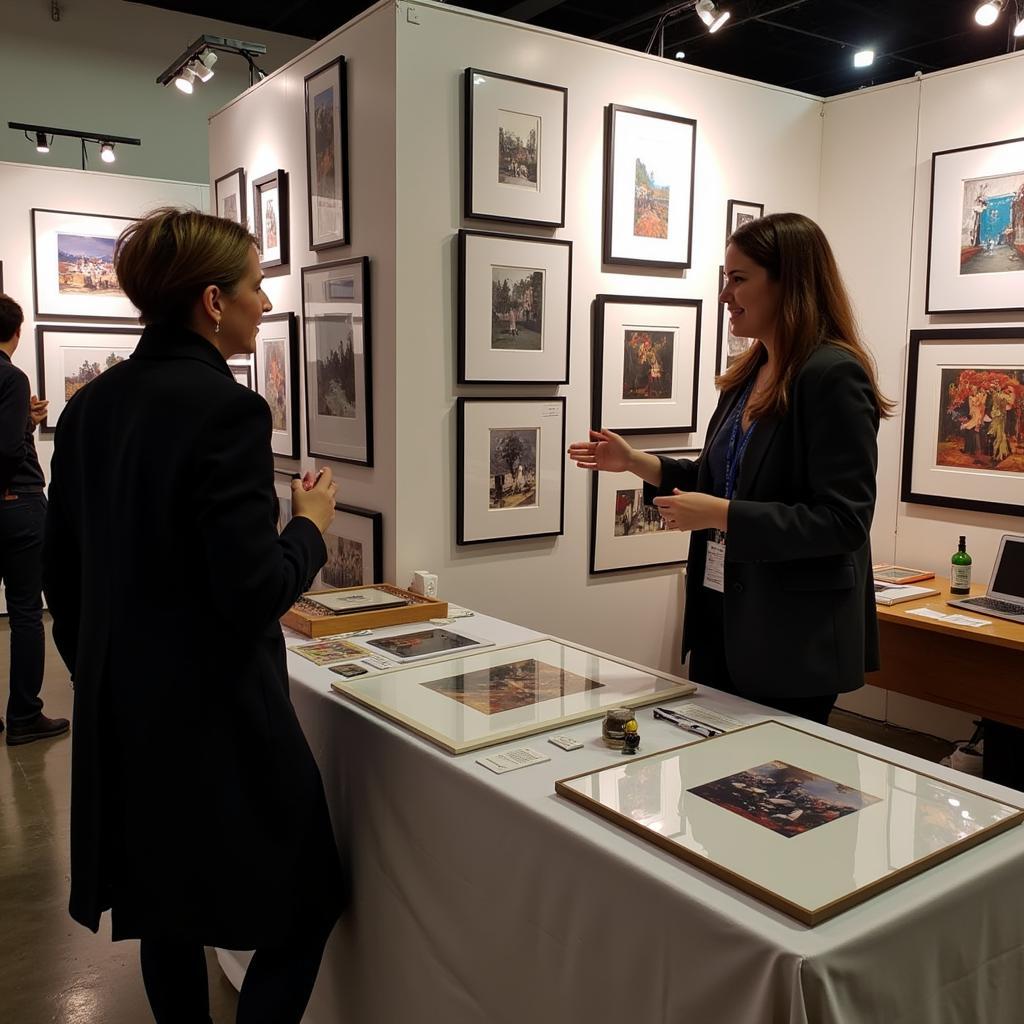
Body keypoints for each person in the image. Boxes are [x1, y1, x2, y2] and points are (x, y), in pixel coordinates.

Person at [42, 209, 347, 1024]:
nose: (264, 303)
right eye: (256, 287)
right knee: (308, 900)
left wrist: (105, 670)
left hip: (124, 711)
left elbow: (62, 579)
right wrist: (311, 524)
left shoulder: (89, 407)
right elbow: (253, 590)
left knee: (164, 913)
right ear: (213, 301)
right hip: (219, 717)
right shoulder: (228, 410)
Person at [569, 212, 893, 725]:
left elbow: (843, 520)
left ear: (790, 282)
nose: (725, 295)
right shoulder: (754, 370)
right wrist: (636, 462)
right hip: (724, 624)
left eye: (738, 279)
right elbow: (723, 481)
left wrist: (723, 515)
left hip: (792, 642)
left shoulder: (832, 375)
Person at [0, 294, 68, 744]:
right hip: (17, 503)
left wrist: (24, 418)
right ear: (17, 331)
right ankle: (24, 715)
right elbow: (5, 448)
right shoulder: (11, 377)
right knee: (27, 610)